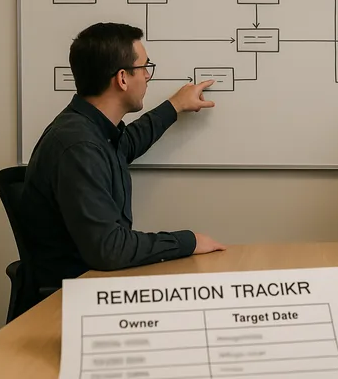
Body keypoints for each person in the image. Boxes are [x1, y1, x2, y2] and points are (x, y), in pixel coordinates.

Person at [21, 22, 226, 295]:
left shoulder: (89, 130)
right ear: (122, 78)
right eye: (145, 67)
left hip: (92, 284)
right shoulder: (78, 146)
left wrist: (174, 106)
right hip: (69, 301)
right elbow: (111, 249)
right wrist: (188, 242)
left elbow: (126, 143)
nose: (148, 77)